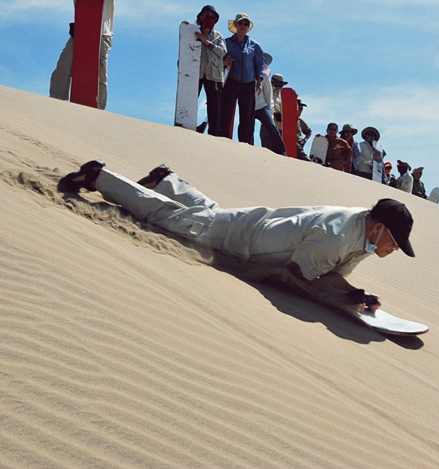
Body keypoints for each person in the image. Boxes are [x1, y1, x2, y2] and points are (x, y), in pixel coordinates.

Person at [57, 160, 416, 312]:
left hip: (253, 227)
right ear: (379, 228)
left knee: (207, 215)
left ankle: (166, 180)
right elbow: (304, 276)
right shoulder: (336, 235)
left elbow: (330, 272)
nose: (394, 249)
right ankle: (98, 177)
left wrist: (354, 294)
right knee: (166, 218)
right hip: (243, 240)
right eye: (395, 242)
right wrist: (349, 296)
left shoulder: (363, 233)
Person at [49, 0, 114, 110]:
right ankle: (56, 103)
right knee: (63, 66)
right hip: (80, 31)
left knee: (99, 74)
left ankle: (99, 109)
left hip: (102, 33)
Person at [183, 5, 227, 137]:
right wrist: (186, 28)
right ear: (201, 17)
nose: (210, 19)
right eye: (207, 16)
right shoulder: (193, 32)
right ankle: (185, 128)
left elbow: (222, 52)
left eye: (213, 17)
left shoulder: (218, 36)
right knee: (189, 101)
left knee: (214, 107)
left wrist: (205, 41)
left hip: (213, 75)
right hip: (195, 74)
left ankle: (213, 135)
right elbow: (185, 49)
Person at [221, 13, 264, 144]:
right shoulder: (226, 43)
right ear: (235, 25)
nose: (243, 26)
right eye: (240, 23)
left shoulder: (255, 45)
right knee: (225, 112)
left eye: (246, 24)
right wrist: (225, 62)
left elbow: (259, 64)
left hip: (248, 83)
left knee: (247, 116)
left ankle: (246, 144)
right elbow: (219, 59)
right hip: (231, 81)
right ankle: (221, 140)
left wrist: (259, 81)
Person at [255, 53, 286, 155]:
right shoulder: (249, 75)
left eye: (281, 85)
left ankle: (282, 151)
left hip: (278, 125)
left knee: (274, 132)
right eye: (277, 84)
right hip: (254, 108)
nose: (279, 87)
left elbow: (270, 100)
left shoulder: (281, 96)